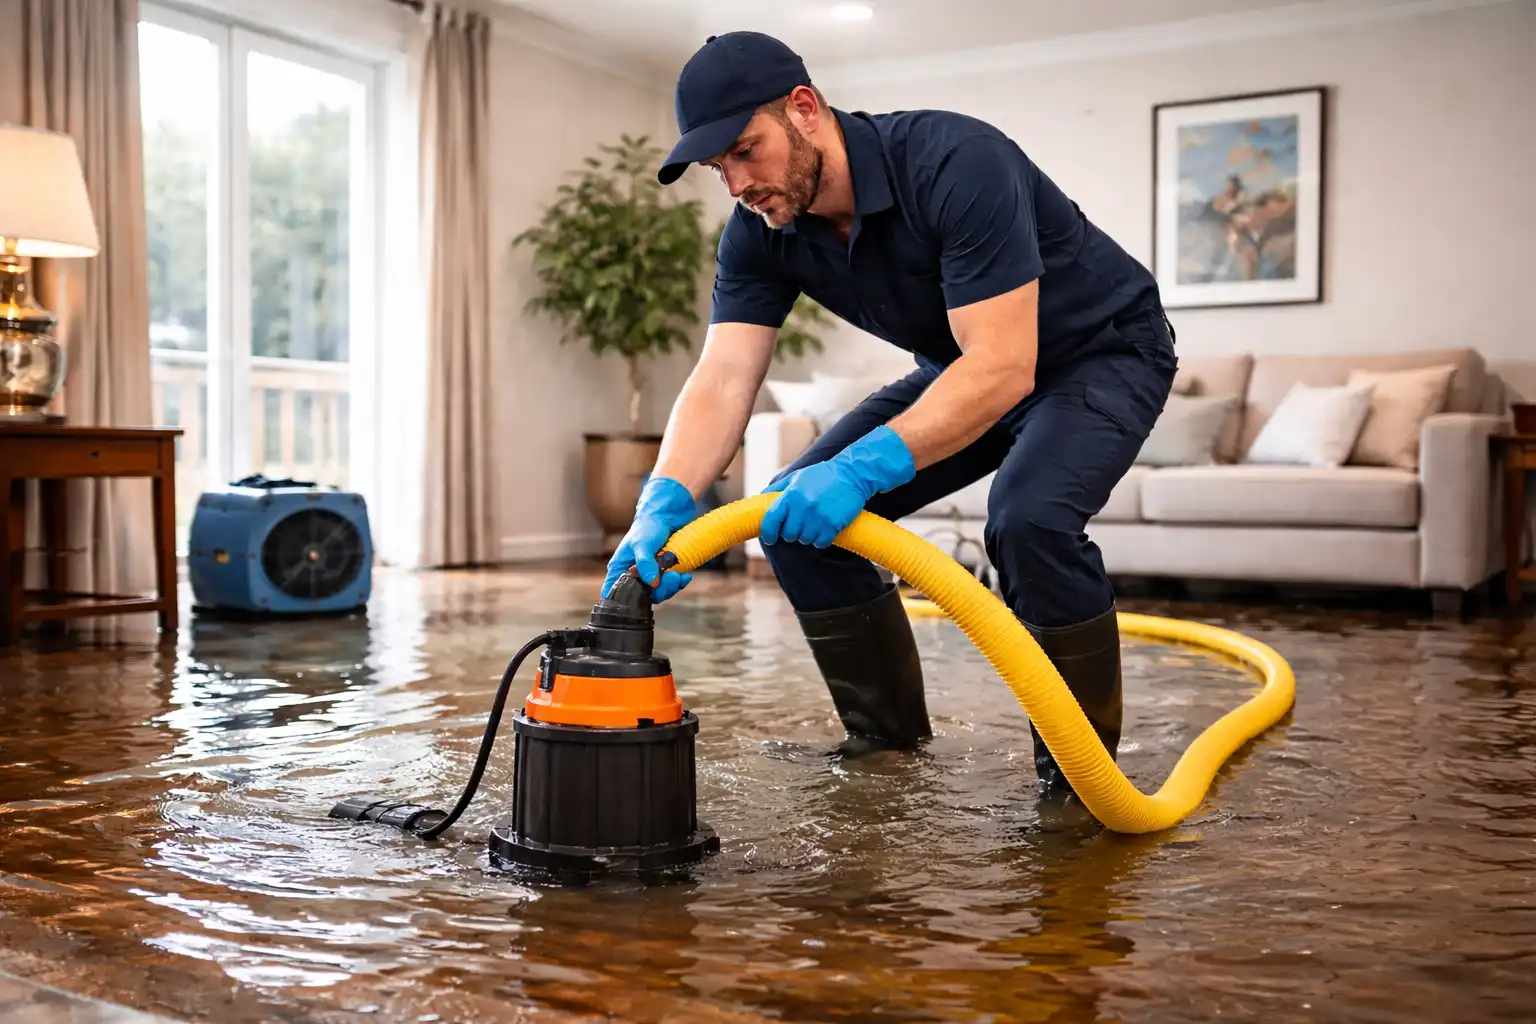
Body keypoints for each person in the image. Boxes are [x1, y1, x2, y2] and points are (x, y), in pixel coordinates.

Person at [599, 31, 1177, 797]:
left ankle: (1080, 781)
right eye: (719, 168)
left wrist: (862, 468)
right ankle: (886, 747)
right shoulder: (761, 231)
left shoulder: (955, 162)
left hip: (1102, 352)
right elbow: (724, 374)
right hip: (963, 369)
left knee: (1029, 521)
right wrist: (663, 500)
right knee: (788, 521)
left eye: (747, 150)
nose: (737, 183)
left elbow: (1006, 366)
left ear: (804, 109)